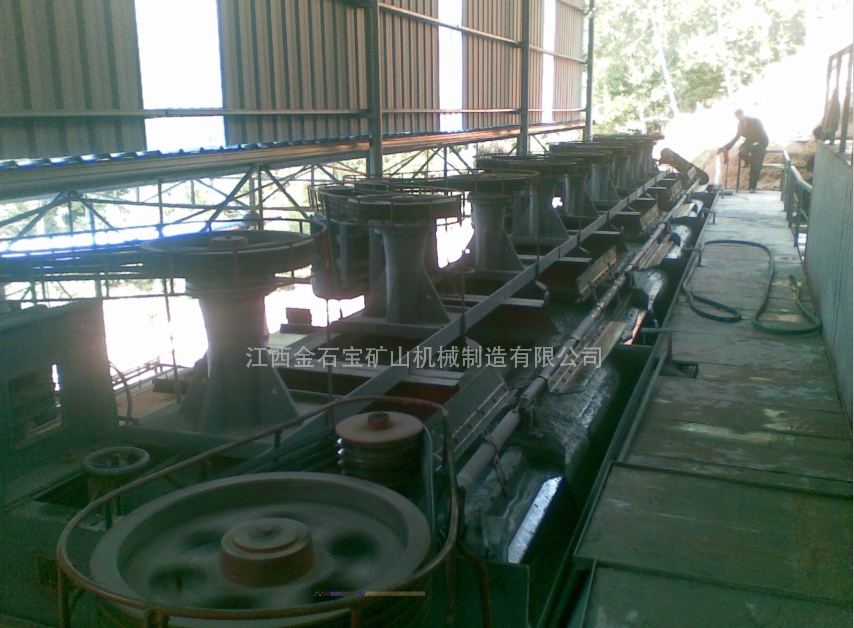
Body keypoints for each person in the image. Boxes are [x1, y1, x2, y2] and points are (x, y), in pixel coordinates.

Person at [717, 109, 769, 193]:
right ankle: (748, 161)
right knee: (742, 152)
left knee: (756, 166)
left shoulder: (755, 121)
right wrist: (726, 147)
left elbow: (762, 134)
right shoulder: (740, 125)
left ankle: (752, 187)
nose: (738, 118)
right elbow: (736, 137)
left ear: (742, 114)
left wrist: (758, 144)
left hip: (761, 142)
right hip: (750, 142)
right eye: (736, 117)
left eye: (738, 116)